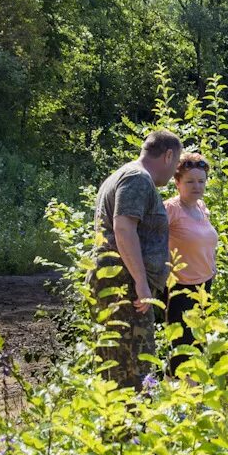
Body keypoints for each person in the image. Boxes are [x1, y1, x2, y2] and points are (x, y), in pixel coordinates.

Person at [90, 129, 183, 387]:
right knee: (134, 364)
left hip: (118, 280)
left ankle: (116, 423)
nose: (175, 170)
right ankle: (131, 425)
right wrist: (141, 283)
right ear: (167, 155)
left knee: (116, 360)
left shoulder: (124, 175)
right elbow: (124, 228)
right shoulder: (138, 178)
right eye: (176, 163)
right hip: (125, 284)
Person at [163, 152, 217, 364]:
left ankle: (193, 391)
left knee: (198, 341)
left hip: (204, 285)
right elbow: (150, 239)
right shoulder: (170, 209)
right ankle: (178, 391)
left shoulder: (202, 208)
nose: (197, 186)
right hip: (180, 288)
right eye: (190, 181)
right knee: (181, 347)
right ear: (177, 182)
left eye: (201, 181)